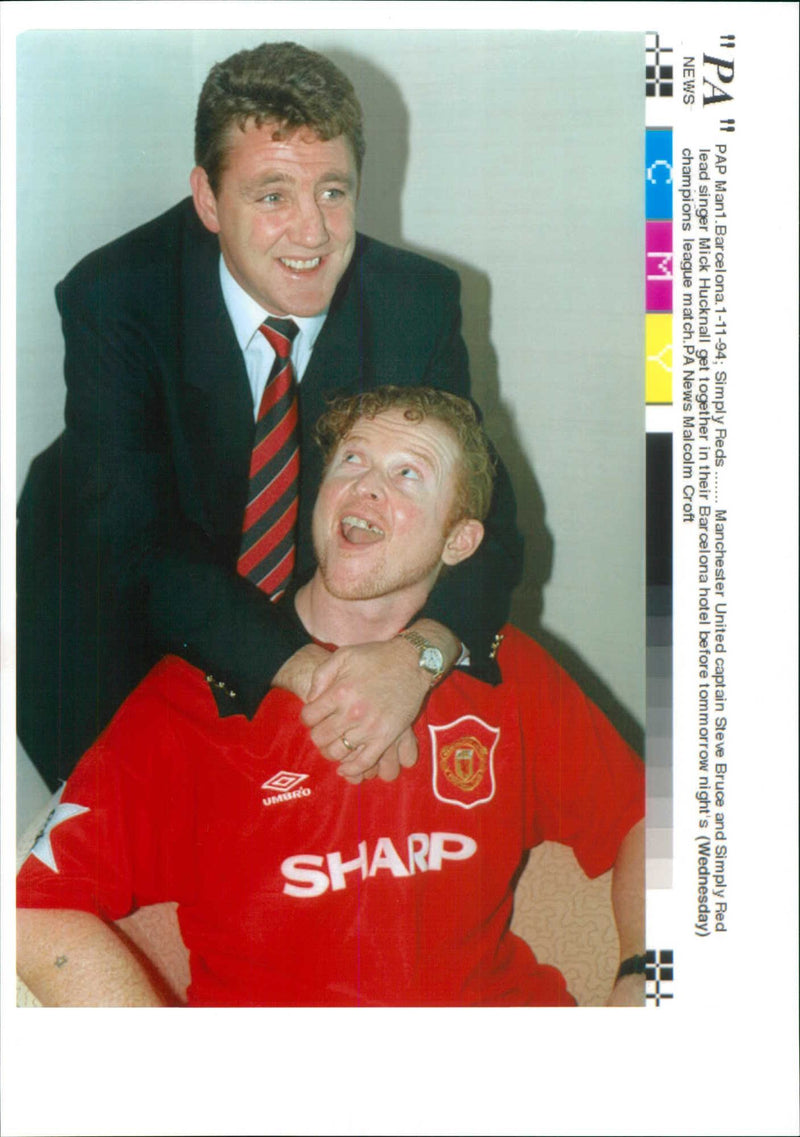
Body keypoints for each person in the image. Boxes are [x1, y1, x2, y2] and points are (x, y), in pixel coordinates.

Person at [17, 387, 645, 1008]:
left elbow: (652, 821)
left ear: (459, 541)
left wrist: (650, 979)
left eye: (408, 474)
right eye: (351, 461)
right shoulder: (196, 698)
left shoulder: (508, 672)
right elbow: (31, 908)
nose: (366, 487)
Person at [16, 41, 522, 791]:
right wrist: (313, 676)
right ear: (209, 199)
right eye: (273, 194)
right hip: (127, 599)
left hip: (315, 591)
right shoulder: (117, 293)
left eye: (333, 191)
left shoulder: (413, 304)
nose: (313, 233)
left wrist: (417, 654)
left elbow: (482, 511)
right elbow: (131, 537)